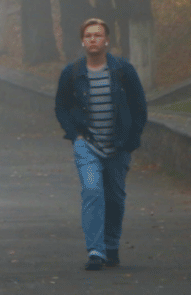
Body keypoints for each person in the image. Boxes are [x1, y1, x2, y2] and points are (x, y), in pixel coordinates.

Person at [54, 17, 147, 272]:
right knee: (93, 191)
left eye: (98, 35)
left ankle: (111, 246)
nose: (93, 39)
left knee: (115, 198)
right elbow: (61, 107)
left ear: (107, 40)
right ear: (83, 41)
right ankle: (95, 251)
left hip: (118, 145)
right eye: (88, 36)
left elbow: (139, 105)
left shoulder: (123, 70)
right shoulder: (72, 72)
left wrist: (132, 139)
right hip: (88, 143)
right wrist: (75, 134)